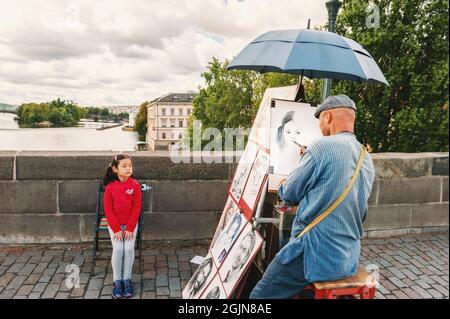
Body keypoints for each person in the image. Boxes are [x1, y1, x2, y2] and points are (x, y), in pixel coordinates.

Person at [250, 94, 375, 299]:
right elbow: (361, 214)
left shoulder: (320, 147)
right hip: (347, 258)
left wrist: (283, 182)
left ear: (327, 117)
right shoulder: (365, 156)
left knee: (259, 297)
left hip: (314, 255)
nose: (319, 129)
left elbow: (289, 194)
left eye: (319, 122)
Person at [103, 153, 142, 299]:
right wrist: (117, 229)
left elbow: (136, 207)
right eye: (124, 166)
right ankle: (117, 281)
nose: (128, 168)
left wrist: (130, 228)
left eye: (130, 166)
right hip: (116, 226)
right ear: (115, 169)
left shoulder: (135, 185)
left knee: (129, 249)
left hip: (130, 225)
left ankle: (127, 279)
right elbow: (108, 210)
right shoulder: (110, 188)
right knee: (119, 249)